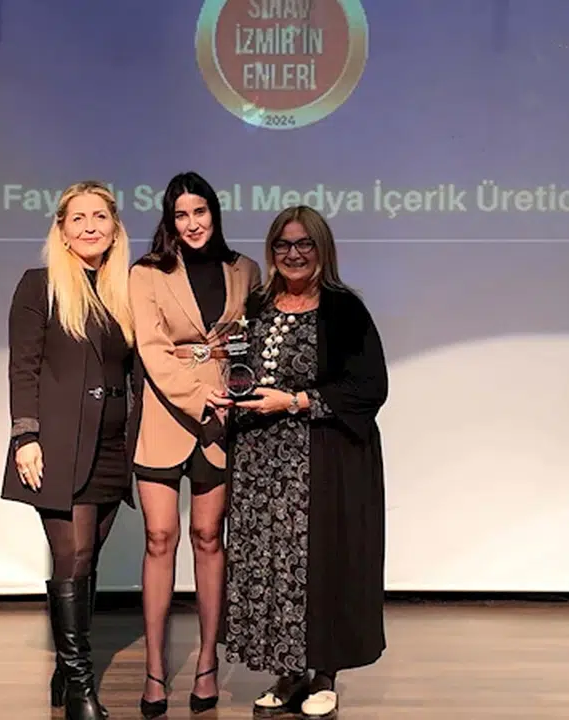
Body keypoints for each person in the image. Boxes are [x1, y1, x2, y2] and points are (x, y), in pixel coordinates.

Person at [222, 205, 389, 719]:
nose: (293, 254)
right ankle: (287, 672)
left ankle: (324, 673)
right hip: (261, 464)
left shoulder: (344, 310)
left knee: (323, 564)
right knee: (271, 566)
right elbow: (239, 368)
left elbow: (370, 387)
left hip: (324, 461)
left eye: (304, 244)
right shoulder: (255, 305)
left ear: (322, 249)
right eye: (282, 245)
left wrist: (295, 402)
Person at [1, 180, 138, 720]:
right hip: (58, 445)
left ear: (115, 228)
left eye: (99, 217)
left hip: (111, 447)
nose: (89, 227)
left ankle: (66, 670)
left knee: (89, 558)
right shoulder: (40, 286)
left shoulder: (124, 289)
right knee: (73, 556)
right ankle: (81, 688)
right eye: (77, 218)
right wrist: (25, 436)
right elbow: (23, 365)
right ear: (61, 229)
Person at [127, 171, 262, 717]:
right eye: (181, 214)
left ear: (214, 213)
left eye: (199, 212)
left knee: (209, 537)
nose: (192, 223)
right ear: (170, 220)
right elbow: (152, 349)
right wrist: (196, 397)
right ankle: (154, 670)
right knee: (160, 538)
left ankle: (207, 662)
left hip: (224, 416)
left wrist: (237, 393)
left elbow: (248, 342)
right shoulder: (146, 272)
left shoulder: (244, 269)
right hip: (167, 411)